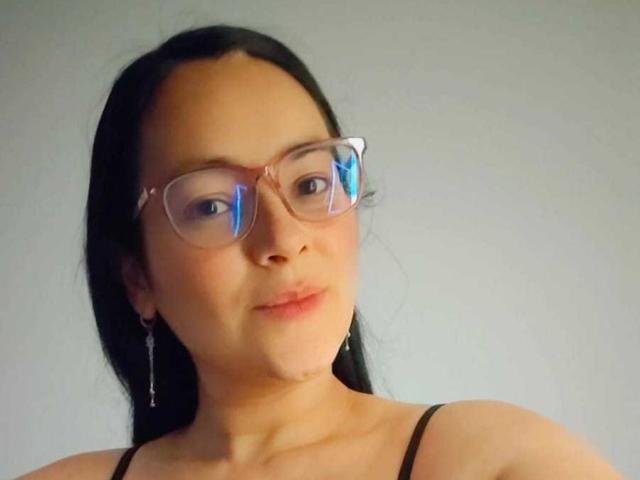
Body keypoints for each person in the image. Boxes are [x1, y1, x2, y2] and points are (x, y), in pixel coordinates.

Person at [19, 25, 623, 480]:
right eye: (212, 204)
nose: (284, 239)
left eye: (310, 183)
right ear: (137, 279)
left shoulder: (494, 461)